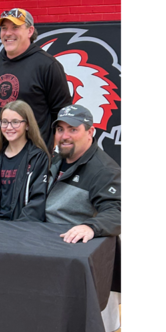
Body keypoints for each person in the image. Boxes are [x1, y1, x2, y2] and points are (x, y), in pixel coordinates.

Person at [0, 8, 72, 149]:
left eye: (15, 27)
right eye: (4, 28)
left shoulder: (47, 65)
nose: (8, 33)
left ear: (29, 31)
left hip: (35, 159)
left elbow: (62, 114)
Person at [46, 104, 120, 243]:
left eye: (73, 130)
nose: (64, 136)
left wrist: (90, 227)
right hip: (39, 234)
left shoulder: (105, 170)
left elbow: (116, 212)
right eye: (60, 129)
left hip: (69, 243)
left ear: (90, 132)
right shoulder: (54, 160)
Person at [0, 100, 50, 221]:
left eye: (15, 122)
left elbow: (37, 203)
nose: (9, 127)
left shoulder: (38, 157)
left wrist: (16, 229)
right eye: (4, 122)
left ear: (28, 125)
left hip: (21, 230)